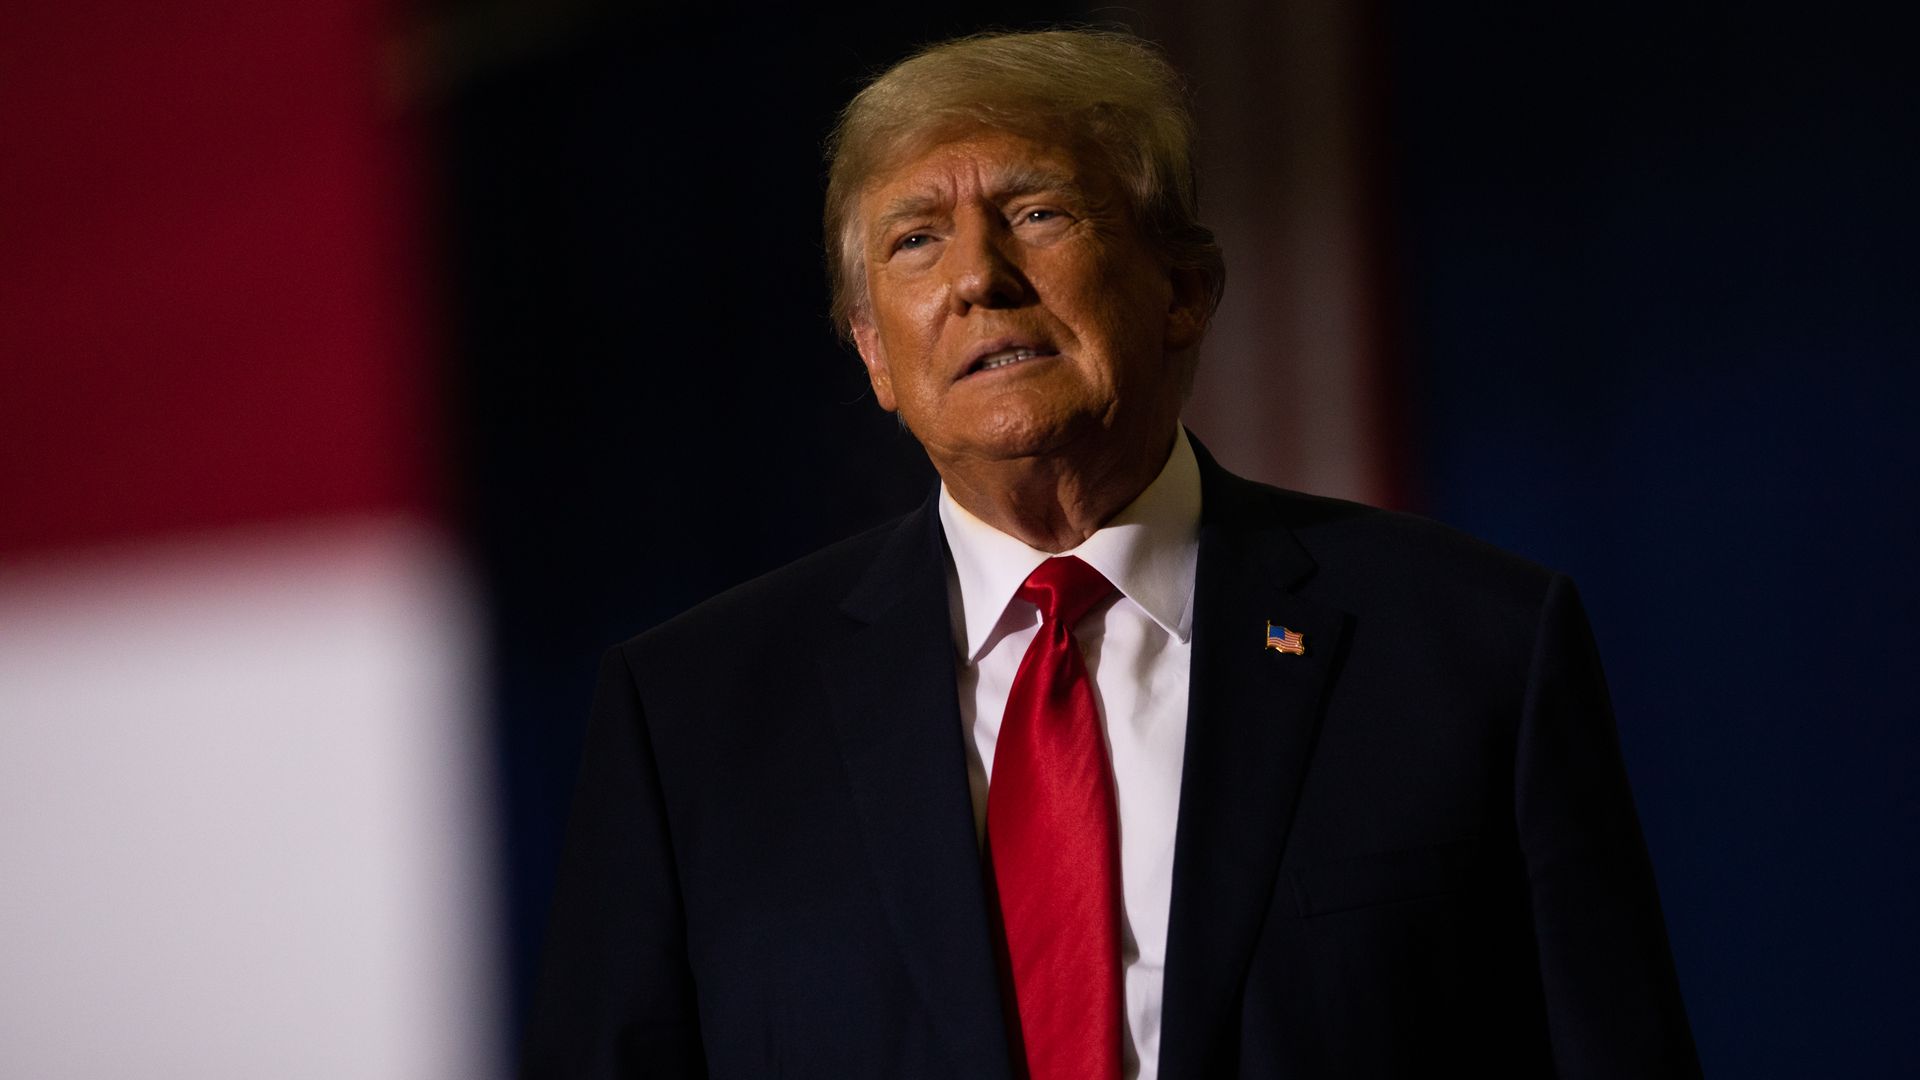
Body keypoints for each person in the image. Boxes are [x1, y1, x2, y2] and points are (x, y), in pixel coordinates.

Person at [521, 29, 1699, 1080]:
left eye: (1036, 212)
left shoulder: (1472, 647)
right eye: (917, 240)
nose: (980, 278)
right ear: (876, 355)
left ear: (1184, 288)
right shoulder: (692, 720)